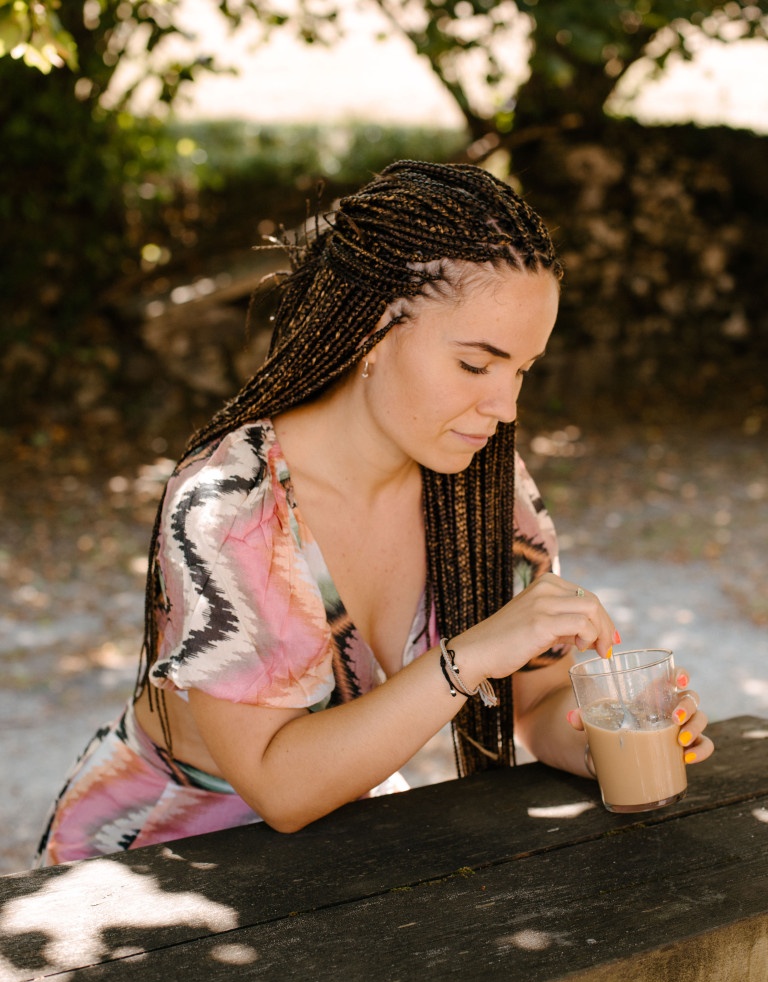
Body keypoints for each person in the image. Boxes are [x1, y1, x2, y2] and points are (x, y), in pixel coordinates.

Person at [35, 160, 713, 865]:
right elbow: (281, 787)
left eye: (523, 371)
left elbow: (536, 702)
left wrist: (609, 737)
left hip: (340, 845)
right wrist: (470, 656)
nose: (505, 408)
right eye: (477, 366)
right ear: (373, 331)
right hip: (161, 862)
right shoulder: (235, 505)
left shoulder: (484, 482)